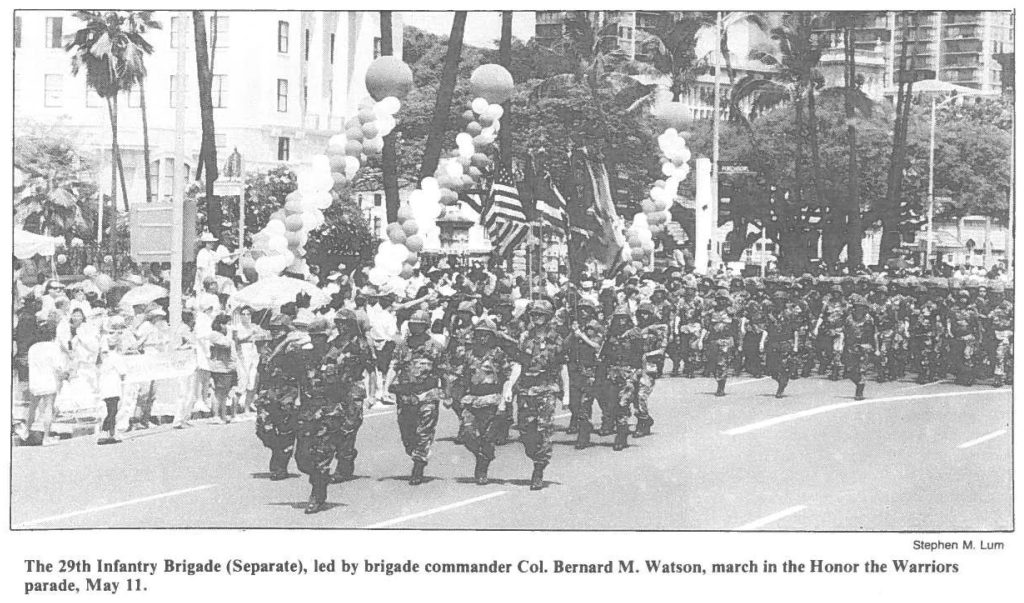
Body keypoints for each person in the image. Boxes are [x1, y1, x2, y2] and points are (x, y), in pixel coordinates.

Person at [502, 299, 568, 490]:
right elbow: (519, 364)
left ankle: (539, 469)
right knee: (525, 432)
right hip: (526, 389)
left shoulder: (556, 338)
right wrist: (509, 387)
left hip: (546, 388)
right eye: (533, 315)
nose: (536, 318)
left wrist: (566, 395)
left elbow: (562, 367)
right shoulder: (524, 337)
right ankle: (536, 456)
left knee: (543, 429)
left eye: (540, 315)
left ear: (547, 317)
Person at [385, 310, 446, 485]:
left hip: (427, 394)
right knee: (407, 434)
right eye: (412, 324)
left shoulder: (435, 347)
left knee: (424, 432)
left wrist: (447, 394)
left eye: (418, 325)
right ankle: (416, 453)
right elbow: (393, 366)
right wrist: (386, 387)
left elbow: (443, 372)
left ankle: (419, 465)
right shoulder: (403, 346)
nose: (414, 328)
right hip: (406, 395)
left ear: (426, 326)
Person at [449, 318, 511, 485]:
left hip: (492, 400)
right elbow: (458, 377)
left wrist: (504, 400)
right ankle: (481, 455)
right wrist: (451, 395)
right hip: (472, 399)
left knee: (487, 438)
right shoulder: (468, 355)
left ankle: (482, 466)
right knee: (468, 434)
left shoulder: (498, 354)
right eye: (479, 334)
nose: (482, 338)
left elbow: (507, 377)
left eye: (486, 335)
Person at [255, 314, 302, 481]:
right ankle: (278, 454)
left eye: (279, 329)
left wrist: (298, 396)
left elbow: (300, 373)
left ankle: (280, 466)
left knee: (286, 430)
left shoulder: (292, 347)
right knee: (263, 428)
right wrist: (257, 391)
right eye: (273, 329)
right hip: (268, 393)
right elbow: (261, 370)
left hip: (286, 393)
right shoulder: (268, 347)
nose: (275, 332)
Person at [600, 305, 646, 451]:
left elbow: (640, 355)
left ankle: (621, 435)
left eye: (623, 318)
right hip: (613, 373)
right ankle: (619, 429)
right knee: (611, 405)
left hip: (628, 373)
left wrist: (638, 374)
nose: (620, 322)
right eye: (618, 318)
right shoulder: (610, 335)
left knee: (623, 404)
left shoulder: (635, 334)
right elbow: (604, 354)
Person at [24, 321, 67, 446]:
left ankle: (26, 430)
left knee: (32, 407)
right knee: (48, 408)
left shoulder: (33, 348)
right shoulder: (53, 347)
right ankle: (46, 437)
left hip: (35, 381)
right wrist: (64, 376)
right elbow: (58, 368)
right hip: (48, 381)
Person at [96, 316, 129, 445]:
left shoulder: (106, 359)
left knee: (112, 410)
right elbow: (123, 373)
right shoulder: (114, 357)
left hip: (107, 387)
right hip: (113, 388)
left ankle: (111, 433)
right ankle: (106, 432)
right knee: (112, 411)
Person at [843, 295, 877, 401]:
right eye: (857, 306)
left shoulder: (868, 319)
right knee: (849, 371)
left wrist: (876, 348)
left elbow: (873, 334)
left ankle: (859, 392)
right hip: (850, 347)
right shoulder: (849, 318)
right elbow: (845, 332)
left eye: (861, 307)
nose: (859, 308)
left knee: (861, 370)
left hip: (864, 346)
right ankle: (858, 383)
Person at [702, 288, 735, 397]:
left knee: (722, 363)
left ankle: (721, 387)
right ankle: (719, 381)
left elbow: (736, 327)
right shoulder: (711, 312)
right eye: (719, 299)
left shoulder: (731, 312)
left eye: (724, 299)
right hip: (713, 340)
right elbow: (706, 325)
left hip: (725, 340)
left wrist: (737, 342)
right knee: (712, 363)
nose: (722, 302)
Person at [207, 314, 238, 424]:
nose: (229, 327)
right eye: (227, 324)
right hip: (219, 368)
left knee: (224, 393)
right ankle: (216, 415)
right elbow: (225, 345)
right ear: (221, 324)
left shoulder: (223, 335)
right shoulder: (215, 335)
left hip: (228, 368)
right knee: (218, 392)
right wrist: (229, 335)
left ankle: (223, 415)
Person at [232, 306, 261, 414]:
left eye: (248, 314)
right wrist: (250, 334)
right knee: (242, 382)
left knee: (252, 381)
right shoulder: (237, 327)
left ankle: (247, 408)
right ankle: (234, 412)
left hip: (252, 352)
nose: (246, 316)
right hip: (242, 353)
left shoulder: (252, 326)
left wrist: (257, 332)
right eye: (243, 314)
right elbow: (237, 340)